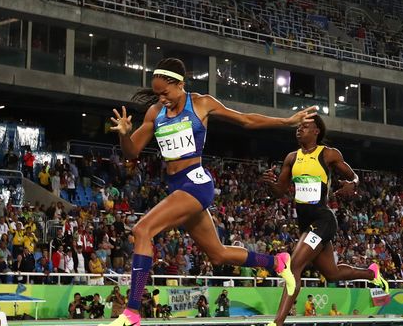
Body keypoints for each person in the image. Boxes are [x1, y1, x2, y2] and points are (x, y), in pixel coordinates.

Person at [102, 58, 311, 326]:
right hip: (176, 187)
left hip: (196, 184)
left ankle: (132, 312)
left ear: (180, 84)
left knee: (142, 230)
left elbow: (246, 120)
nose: (161, 99)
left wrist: (286, 121)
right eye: (157, 94)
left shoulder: (201, 103)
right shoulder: (155, 113)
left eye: (165, 92)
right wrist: (123, 134)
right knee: (218, 254)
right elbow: (131, 152)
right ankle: (277, 262)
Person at [261, 115, 389, 326]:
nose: (299, 129)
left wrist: (352, 184)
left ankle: (277, 323)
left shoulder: (328, 154)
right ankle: (371, 273)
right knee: (332, 273)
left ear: (316, 131)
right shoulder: (291, 158)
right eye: (299, 127)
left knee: (293, 267)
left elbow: (353, 176)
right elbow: (279, 192)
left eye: (305, 126)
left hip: (323, 220)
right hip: (305, 224)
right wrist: (269, 183)